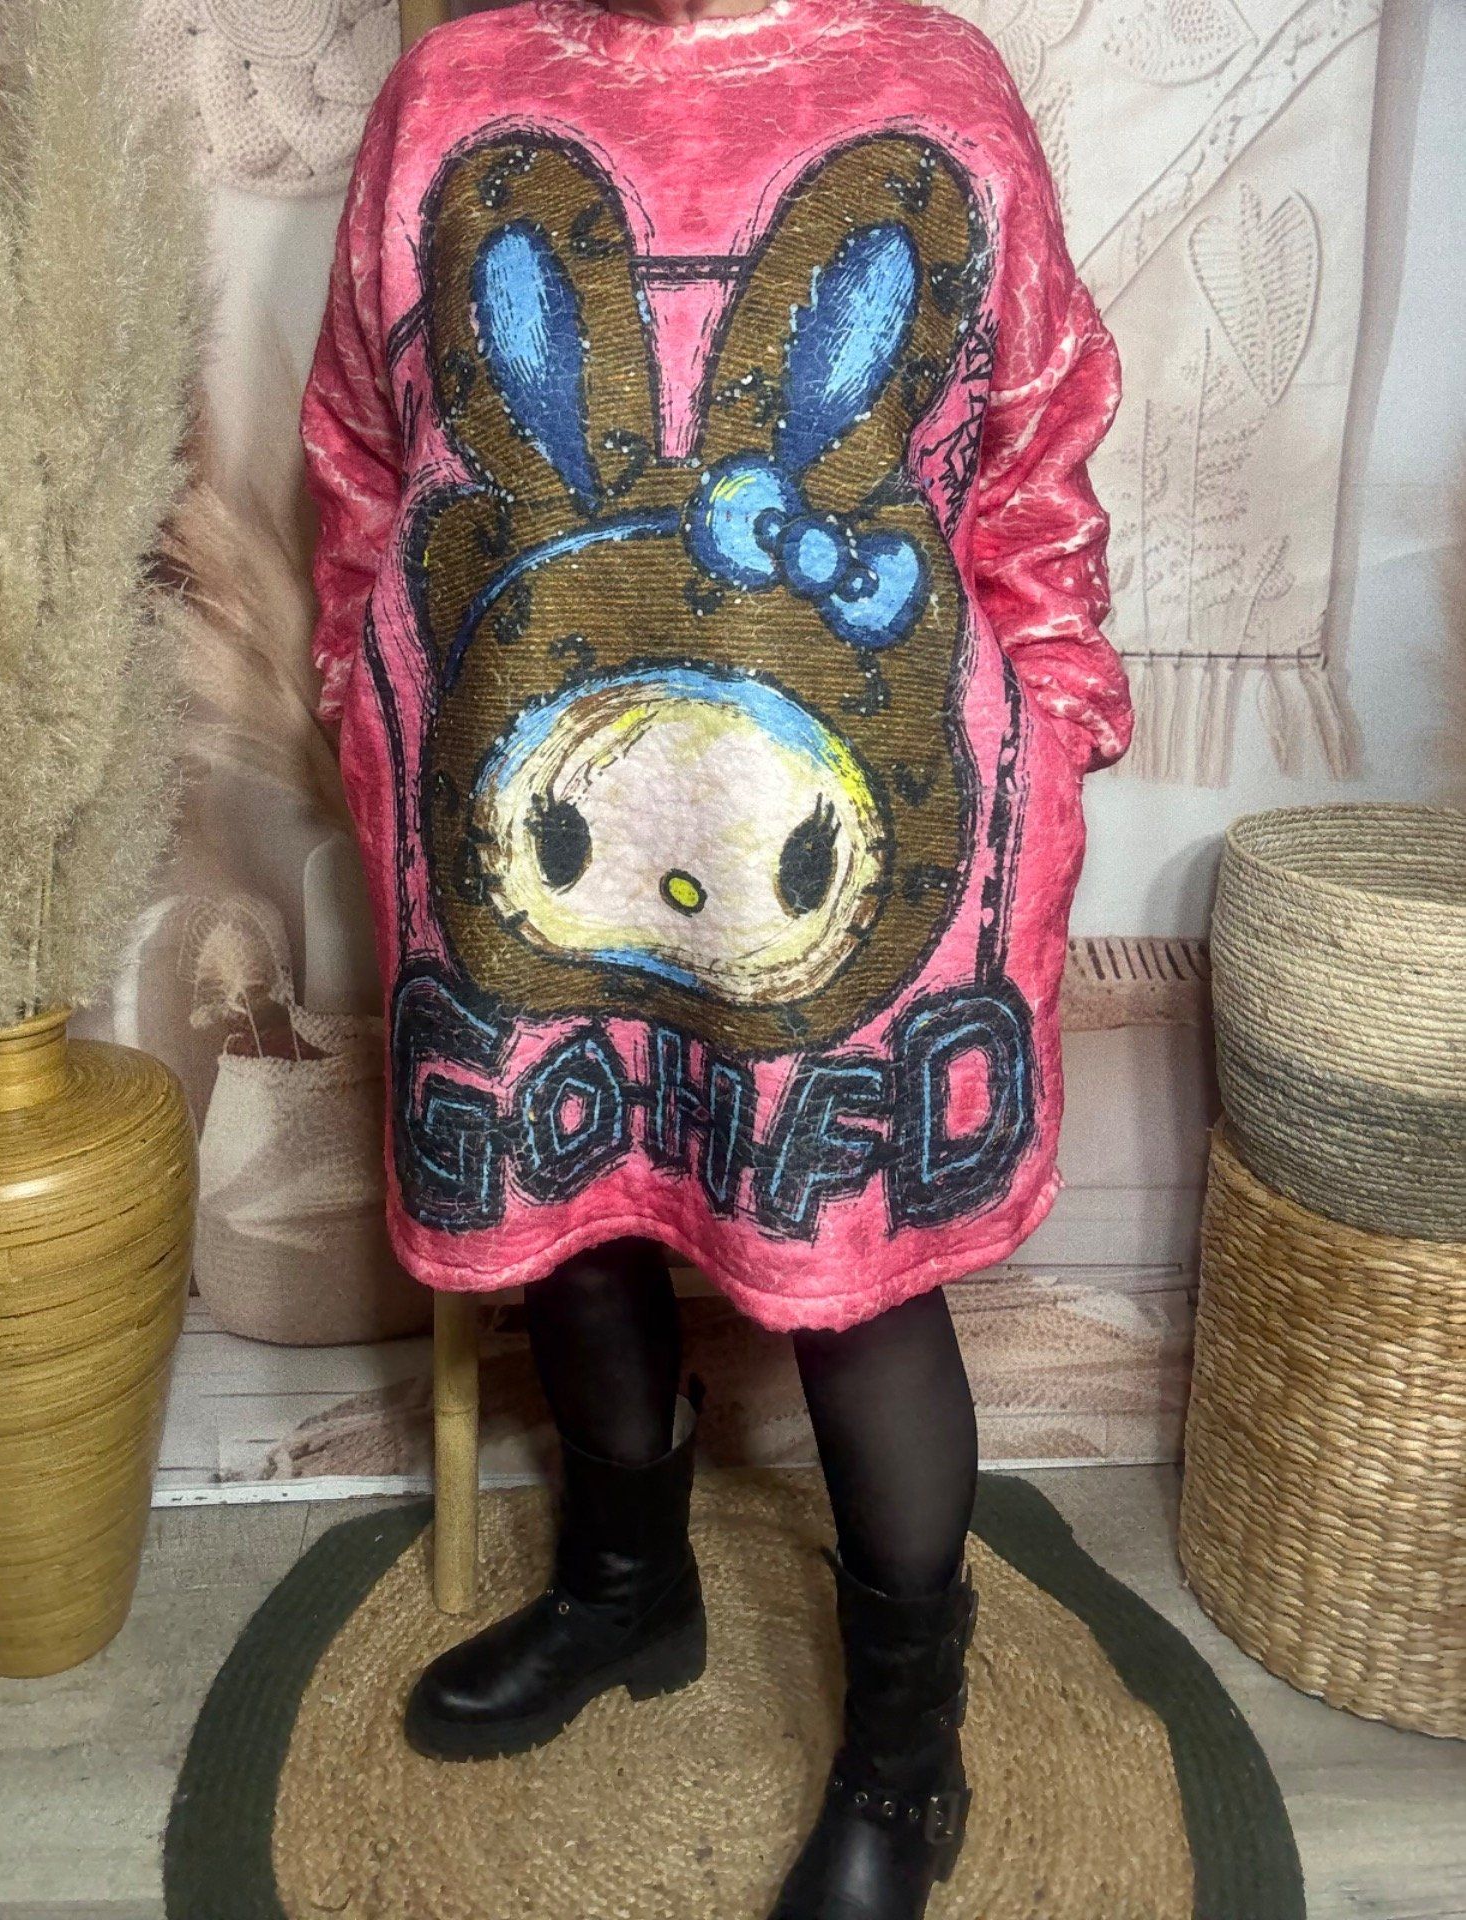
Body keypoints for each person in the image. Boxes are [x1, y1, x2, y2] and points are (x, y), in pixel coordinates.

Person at [302, 2, 1130, 1912]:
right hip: (521, 834)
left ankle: (906, 1760)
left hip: (826, 878)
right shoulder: (452, 94)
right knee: (572, 1215)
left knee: (851, 1280)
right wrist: (369, 679)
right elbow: (357, 440)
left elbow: (1041, 449)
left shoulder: (934, 92)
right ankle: (626, 1589)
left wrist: (1055, 719)